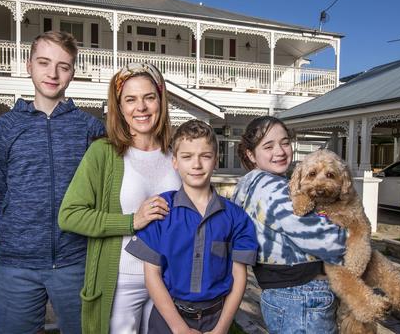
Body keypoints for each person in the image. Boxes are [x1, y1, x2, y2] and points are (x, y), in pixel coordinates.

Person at [0, 31, 105, 334]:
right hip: (16, 264)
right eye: (44, 62)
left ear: (72, 73)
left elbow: (102, 190)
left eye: (63, 66)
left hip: (75, 260)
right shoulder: (4, 128)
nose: (52, 73)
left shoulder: (90, 128)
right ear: (29, 65)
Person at [58, 62, 181, 334]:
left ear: (161, 100)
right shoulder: (103, 152)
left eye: (149, 97)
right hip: (122, 280)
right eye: (131, 99)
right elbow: (70, 215)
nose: (141, 107)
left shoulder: (176, 153)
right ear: (119, 106)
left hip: (169, 280)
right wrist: (131, 221)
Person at [126, 119, 258, 334]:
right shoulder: (161, 210)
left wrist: (222, 329)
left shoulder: (236, 217)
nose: (196, 165)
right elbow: (152, 275)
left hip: (216, 318)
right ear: (175, 162)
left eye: (205, 156)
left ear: (216, 159)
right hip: (168, 318)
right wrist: (180, 329)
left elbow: (239, 276)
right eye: (187, 157)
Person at [231, 116, 347, 334]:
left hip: (280, 294)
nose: (280, 151)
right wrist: (348, 231)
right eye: (268, 146)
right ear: (250, 154)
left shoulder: (247, 183)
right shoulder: (275, 190)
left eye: (285, 142)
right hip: (302, 296)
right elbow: (330, 241)